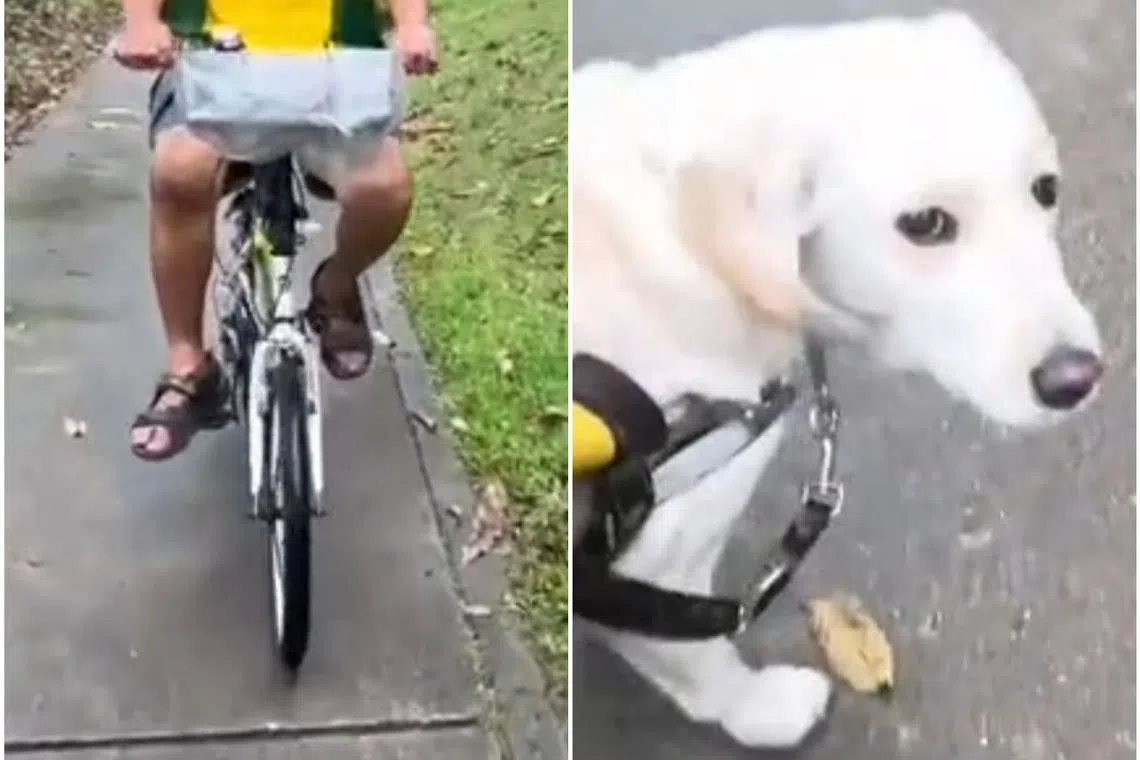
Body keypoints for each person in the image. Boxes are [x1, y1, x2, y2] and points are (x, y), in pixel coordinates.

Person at [112, 0, 437, 461]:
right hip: (217, 70)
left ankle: (337, 285)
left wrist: (412, 26)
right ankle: (189, 365)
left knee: (384, 190)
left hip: (335, 73)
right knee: (179, 172)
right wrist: (142, 24)